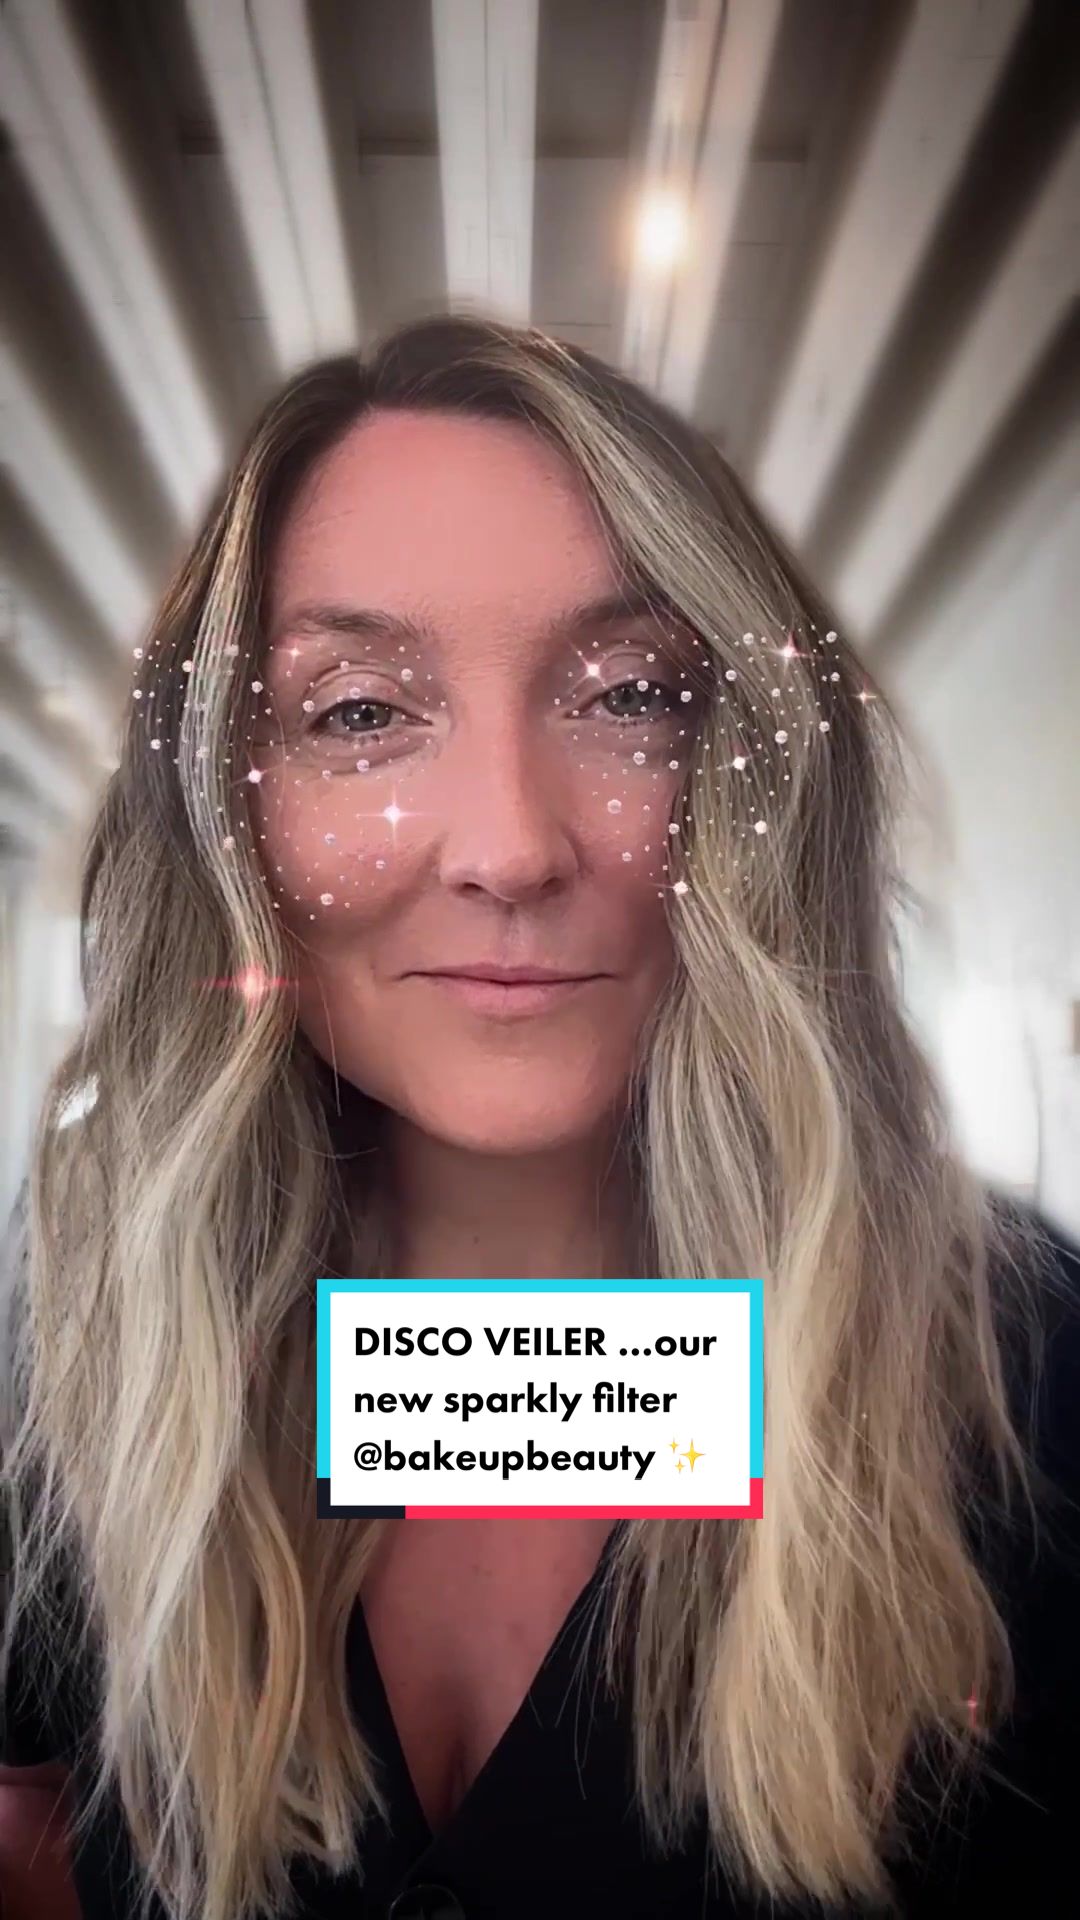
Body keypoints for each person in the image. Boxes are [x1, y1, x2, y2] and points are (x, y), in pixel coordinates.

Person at [0, 311, 1077, 1920]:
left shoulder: (1024, 1370)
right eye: (359, 713)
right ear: (230, 811)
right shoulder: (77, 1334)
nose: (510, 846)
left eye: (630, 696)